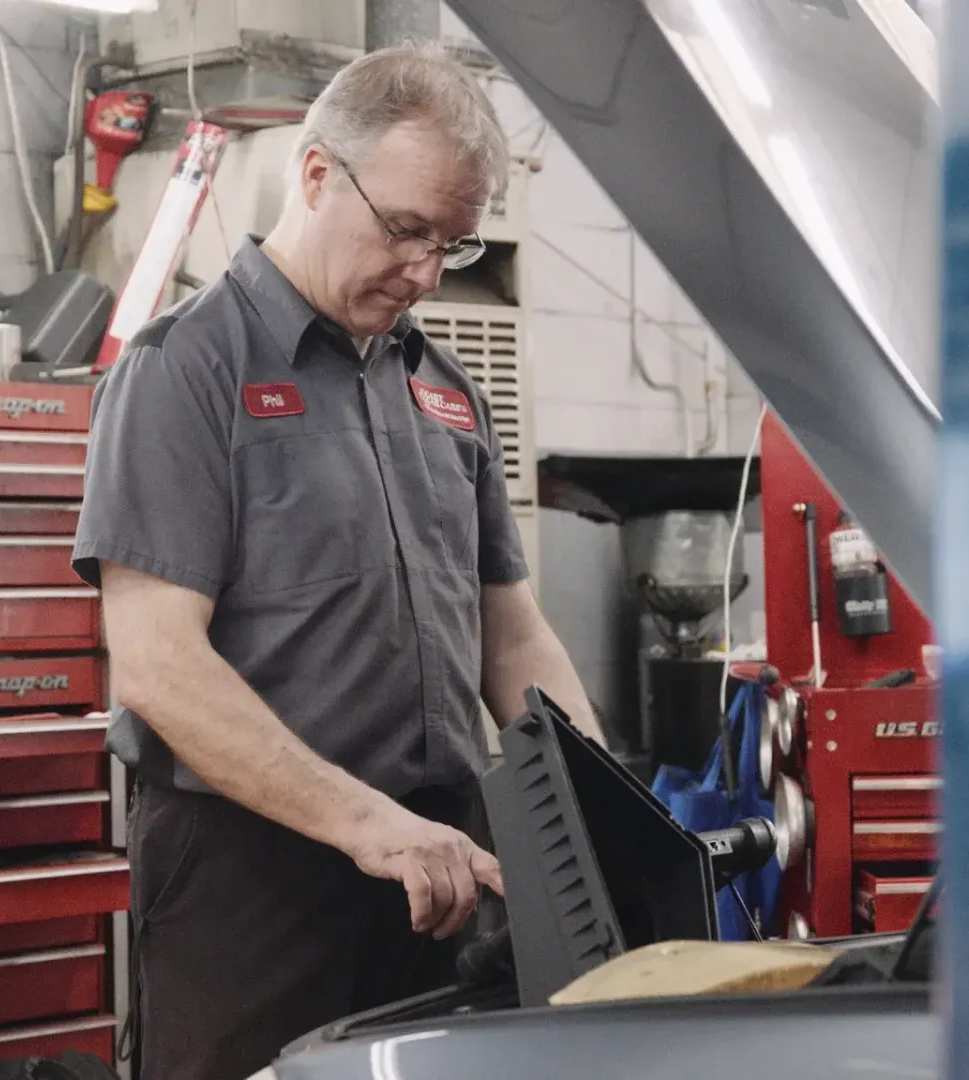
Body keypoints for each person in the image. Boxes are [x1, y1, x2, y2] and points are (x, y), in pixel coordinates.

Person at [71, 43, 604, 1080]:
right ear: (316, 174)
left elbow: (513, 635)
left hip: (442, 869)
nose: (425, 272)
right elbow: (158, 667)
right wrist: (369, 826)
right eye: (406, 230)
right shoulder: (184, 372)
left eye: (452, 243)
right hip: (254, 876)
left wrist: (600, 812)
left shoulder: (446, 389)